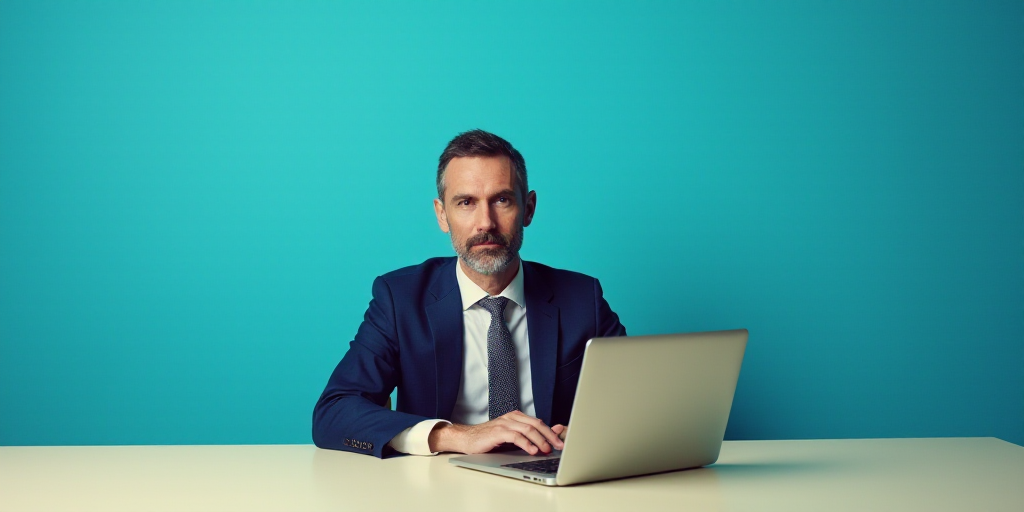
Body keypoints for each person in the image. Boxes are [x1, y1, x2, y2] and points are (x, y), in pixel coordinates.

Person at [312, 129, 626, 458]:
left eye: (502, 200)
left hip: (550, 482)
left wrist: (589, 431)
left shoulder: (580, 298)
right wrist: (456, 436)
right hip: (438, 486)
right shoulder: (400, 299)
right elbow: (333, 413)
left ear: (528, 209)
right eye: (466, 203)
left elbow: (638, 400)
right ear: (442, 214)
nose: (485, 223)